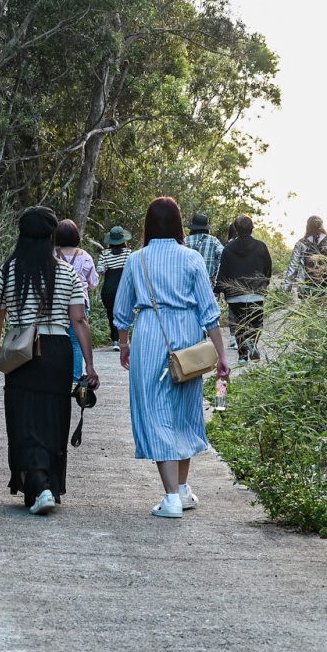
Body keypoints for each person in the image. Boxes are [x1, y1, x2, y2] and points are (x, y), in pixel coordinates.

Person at [112, 197, 232, 519]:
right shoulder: (192, 258)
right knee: (183, 411)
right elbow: (210, 312)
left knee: (155, 411)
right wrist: (221, 355)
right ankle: (181, 489)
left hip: (151, 335)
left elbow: (122, 311)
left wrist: (124, 344)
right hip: (189, 338)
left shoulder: (136, 260)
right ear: (179, 224)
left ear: (148, 226)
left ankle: (171, 497)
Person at [0, 206, 100, 515]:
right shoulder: (66, 272)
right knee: (53, 416)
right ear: (51, 236)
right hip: (57, 350)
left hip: (21, 352)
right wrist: (89, 366)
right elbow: (79, 320)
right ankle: (45, 483)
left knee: (23, 415)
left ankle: (37, 483)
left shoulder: (9, 271)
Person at [216, 214, 273, 386]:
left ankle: (242, 356)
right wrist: (263, 284)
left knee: (239, 324)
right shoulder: (261, 247)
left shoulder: (228, 249)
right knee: (256, 323)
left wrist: (219, 290)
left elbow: (223, 272)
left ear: (235, 229)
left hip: (235, 295)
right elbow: (268, 269)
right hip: (256, 292)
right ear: (252, 228)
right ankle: (253, 343)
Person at [54, 219, 100, 383]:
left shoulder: (53, 254)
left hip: (58, 302)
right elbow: (93, 282)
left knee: (57, 340)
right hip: (80, 302)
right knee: (76, 341)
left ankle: (58, 376)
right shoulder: (85, 256)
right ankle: (74, 379)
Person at [286, 215, 327, 297]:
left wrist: (286, 290)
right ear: (322, 226)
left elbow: (292, 267)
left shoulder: (301, 244)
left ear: (307, 227)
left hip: (306, 288)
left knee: (306, 309)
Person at [97, 226, 131, 351]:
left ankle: (115, 340)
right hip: (123, 286)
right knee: (124, 313)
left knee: (111, 313)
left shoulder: (105, 254)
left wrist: (106, 273)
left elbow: (100, 269)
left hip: (108, 287)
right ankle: (124, 339)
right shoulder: (128, 253)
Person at [184, 212, 223, 285]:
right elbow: (223, 255)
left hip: (188, 283)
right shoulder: (213, 240)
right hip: (207, 283)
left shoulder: (185, 240)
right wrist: (216, 274)